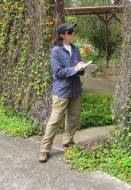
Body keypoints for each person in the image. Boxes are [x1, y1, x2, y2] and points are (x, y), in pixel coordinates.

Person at [38, 23, 86, 163]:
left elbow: (79, 69)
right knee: (54, 121)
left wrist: (82, 68)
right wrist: (74, 69)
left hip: (75, 90)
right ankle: (44, 149)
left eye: (72, 31)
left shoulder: (76, 49)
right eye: (70, 32)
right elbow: (58, 72)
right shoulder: (56, 51)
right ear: (62, 35)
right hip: (62, 91)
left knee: (73, 118)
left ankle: (68, 141)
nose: (72, 33)